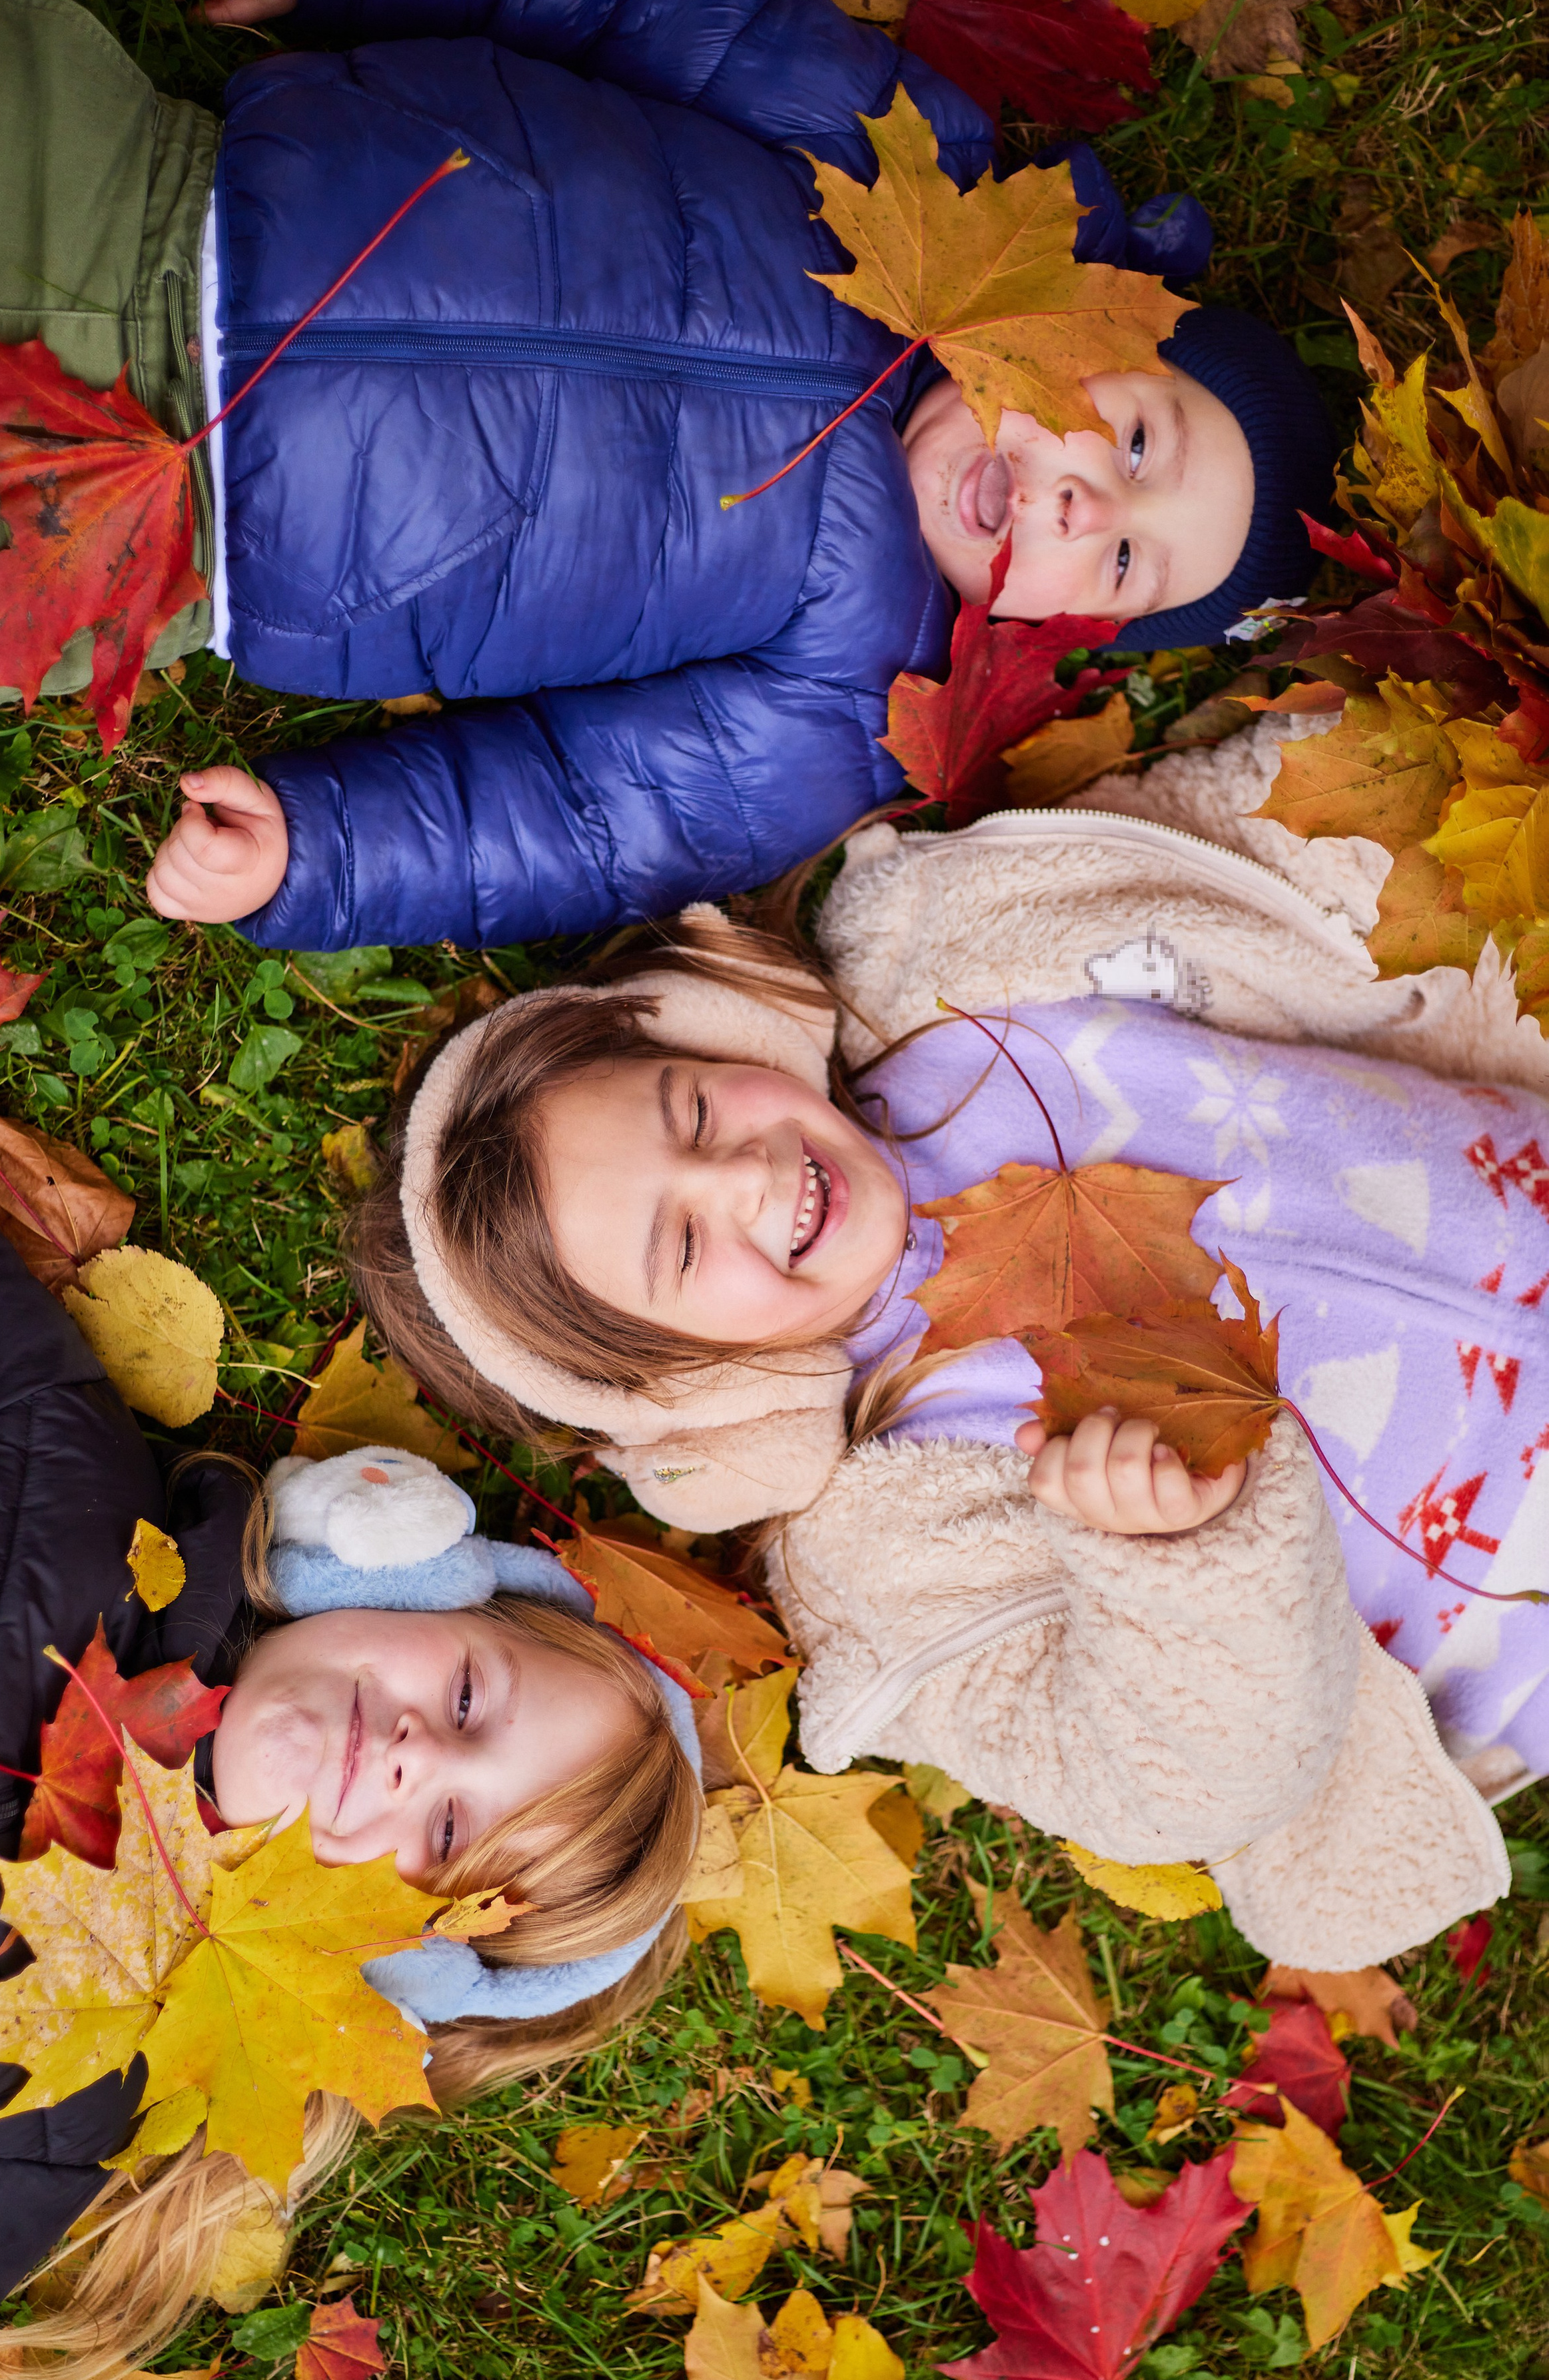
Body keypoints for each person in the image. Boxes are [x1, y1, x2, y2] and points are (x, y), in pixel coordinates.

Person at [0, 0, 1332, 955]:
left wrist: (324, 854)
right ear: (1087, 309)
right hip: (141, 180)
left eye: (1127, 563)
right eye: (1134, 438)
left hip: (129, 528)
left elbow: (580, 814)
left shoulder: (841, 705)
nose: (1085, 504)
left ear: (1068, 633)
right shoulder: (895, 163)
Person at [342, 709, 1549, 1973]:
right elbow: (1161, 1778)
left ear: (709, 1029)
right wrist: (1179, 1571)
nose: (745, 1179)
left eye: (692, 1111)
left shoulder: (954, 965)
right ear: (681, 1382)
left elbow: (1260, 840)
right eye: (682, 1249)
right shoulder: (883, 1546)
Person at [0, 1120, 702, 2380]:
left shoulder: (53, 2102)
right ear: (400, 1576)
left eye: (450, 1837)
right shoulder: (65, 1497)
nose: (418, 1753)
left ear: (377, 1958)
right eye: (468, 1692)